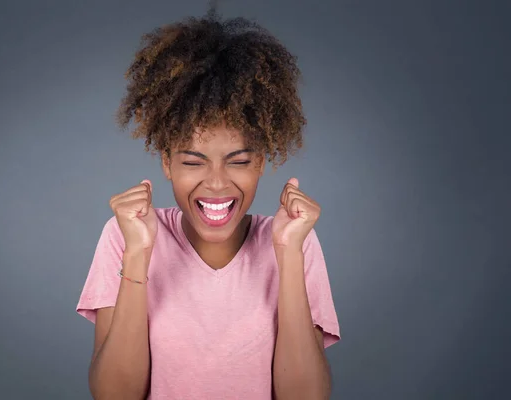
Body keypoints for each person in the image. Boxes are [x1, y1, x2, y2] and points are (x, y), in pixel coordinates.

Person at [76, 8, 340, 400]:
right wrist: (138, 253)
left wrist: (288, 255)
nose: (216, 183)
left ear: (262, 162)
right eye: (193, 161)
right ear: (166, 162)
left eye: (238, 160)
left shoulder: (295, 242)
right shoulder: (124, 236)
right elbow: (114, 395)